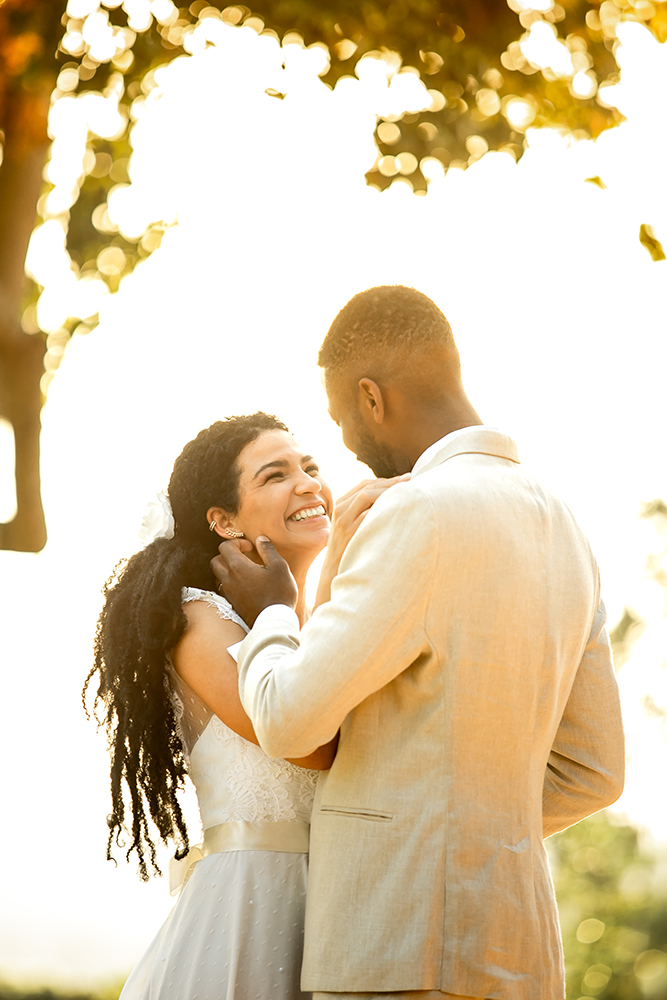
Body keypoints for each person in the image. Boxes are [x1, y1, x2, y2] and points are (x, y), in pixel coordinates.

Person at [212, 285, 626, 1000]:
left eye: (341, 418)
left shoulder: (416, 513)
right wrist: (468, 843)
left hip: (395, 947)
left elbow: (287, 717)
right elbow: (595, 771)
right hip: (518, 951)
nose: (344, 444)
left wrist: (276, 612)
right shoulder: (565, 525)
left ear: (370, 398)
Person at [84, 411, 402, 1000]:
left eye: (310, 466)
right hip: (250, 910)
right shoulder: (197, 616)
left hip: (334, 907)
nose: (309, 483)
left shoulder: (295, 623)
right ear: (224, 521)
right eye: (275, 475)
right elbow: (306, 741)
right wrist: (306, 587)